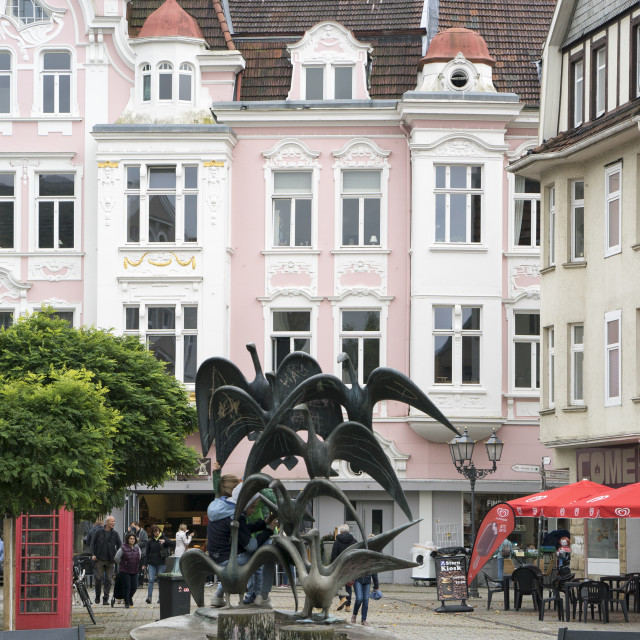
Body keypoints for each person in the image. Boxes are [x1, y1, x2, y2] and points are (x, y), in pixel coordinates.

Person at [207, 479, 277, 608]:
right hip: (229, 560)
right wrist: (269, 530)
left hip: (216, 558)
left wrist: (265, 523)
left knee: (233, 560)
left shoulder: (223, 510)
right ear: (246, 503)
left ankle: (218, 596)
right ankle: (261, 597)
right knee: (266, 556)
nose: (252, 511)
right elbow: (251, 546)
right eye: (253, 507)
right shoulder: (236, 516)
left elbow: (243, 530)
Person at [90, 515, 122, 605]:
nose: (113, 523)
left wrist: (117, 555)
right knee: (98, 579)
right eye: (112, 521)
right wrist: (93, 554)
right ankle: (97, 597)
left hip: (110, 560)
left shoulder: (115, 533)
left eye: (114, 521)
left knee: (108, 580)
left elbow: (120, 545)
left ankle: (105, 599)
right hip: (99, 559)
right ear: (107, 522)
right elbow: (92, 544)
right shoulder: (98, 532)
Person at [142, 524, 175, 604]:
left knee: (161, 581)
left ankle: (161, 598)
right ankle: (149, 597)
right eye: (154, 532)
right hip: (152, 563)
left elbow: (173, 544)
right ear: (152, 533)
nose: (156, 533)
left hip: (161, 563)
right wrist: (144, 564)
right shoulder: (150, 542)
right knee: (151, 580)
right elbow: (147, 553)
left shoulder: (163, 539)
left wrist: (165, 541)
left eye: (157, 531)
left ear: (159, 531)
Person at [331, 524, 357, 612]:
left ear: (341, 532)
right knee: (348, 585)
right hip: (350, 566)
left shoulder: (337, 542)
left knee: (336, 583)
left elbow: (334, 556)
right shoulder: (354, 541)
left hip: (339, 566)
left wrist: (332, 566)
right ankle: (348, 606)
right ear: (348, 531)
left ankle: (342, 598)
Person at [115, 532, 142, 608]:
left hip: (134, 570)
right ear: (127, 539)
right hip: (125, 570)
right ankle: (126, 601)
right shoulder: (123, 548)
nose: (132, 540)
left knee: (134, 586)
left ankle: (130, 597)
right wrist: (123, 564)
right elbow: (117, 558)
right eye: (130, 539)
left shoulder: (137, 548)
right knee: (127, 586)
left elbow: (139, 557)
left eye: (133, 539)